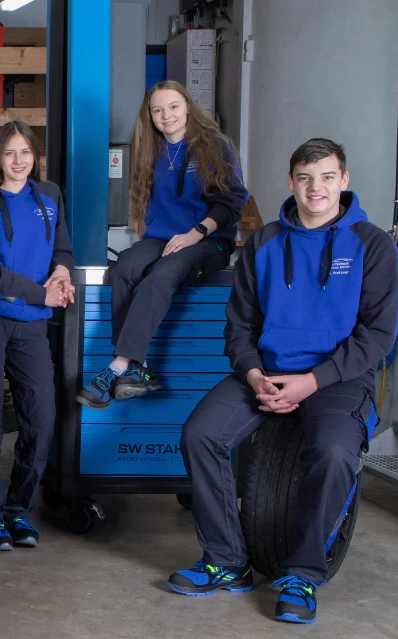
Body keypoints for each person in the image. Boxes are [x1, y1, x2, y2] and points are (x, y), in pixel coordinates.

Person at [168, 139, 398, 624]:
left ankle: (303, 574)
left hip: (339, 378)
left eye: (327, 177)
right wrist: (254, 373)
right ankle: (227, 561)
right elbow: (239, 326)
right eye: (305, 177)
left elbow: (378, 335)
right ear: (291, 181)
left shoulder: (372, 244)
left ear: (344, 180)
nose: (316, 188)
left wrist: (313, 381)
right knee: (200, 434)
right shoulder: (264, 243)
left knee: (334, 451)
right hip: (266, 373)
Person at [78, 80, 248, 410]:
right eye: (157, 110)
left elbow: (233, 202)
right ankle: (138, 367)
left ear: (188, 107)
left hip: (208, 240)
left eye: (173, 106)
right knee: (125, 268)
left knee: (160, 277)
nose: (166, 115)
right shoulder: (153, 152)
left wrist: (197, 232)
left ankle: (120, 364)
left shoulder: (214, 145)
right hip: (162, 238)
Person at [0, 121, 74, 551]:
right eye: (10, 153)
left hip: (32, 324)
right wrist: (41, 293)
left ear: (34, 156)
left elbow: (62, 249)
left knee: (41, 417)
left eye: (26, 152)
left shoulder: (50, 196)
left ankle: (17, 509)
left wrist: (61, 274)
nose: (19, 161)